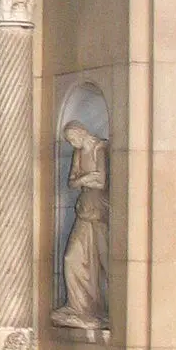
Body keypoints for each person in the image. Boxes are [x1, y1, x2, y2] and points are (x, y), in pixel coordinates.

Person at [51, 122, 109, 329]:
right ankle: (79, 307)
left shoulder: (99, 148)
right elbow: (72, 182)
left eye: (72, 138)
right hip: (84, 210)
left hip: (99, 211)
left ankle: (96, 309)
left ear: (81, 132)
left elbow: (102, 181)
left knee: (103, 260)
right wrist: (87, 178)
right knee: (71, 258)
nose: (72, 143)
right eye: (69, 141)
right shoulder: (78, 153)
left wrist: (84, 179)